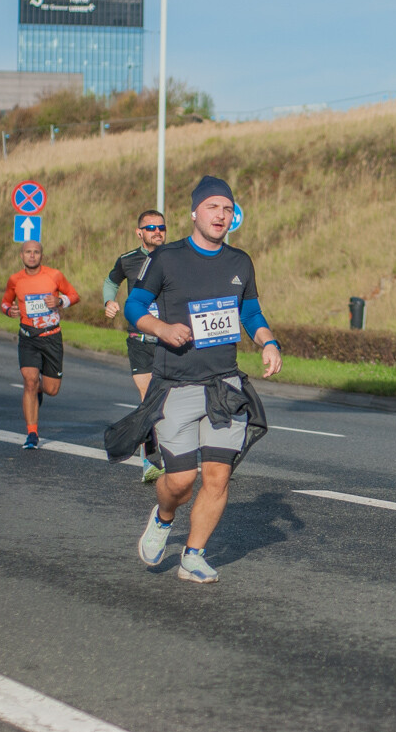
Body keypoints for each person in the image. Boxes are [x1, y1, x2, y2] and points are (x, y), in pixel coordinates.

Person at [117, 176, 281, 584]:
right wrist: (161, 329)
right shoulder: (168, 259)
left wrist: (267, 341)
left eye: (227, 209)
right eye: (212, 208)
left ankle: (193, 555)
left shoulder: (240, 263)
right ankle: (163, 517)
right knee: (179, 481)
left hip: (224, 387)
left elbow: (250, 312)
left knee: (218, 476)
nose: (220, 215)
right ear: (194, 213)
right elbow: (133, 305)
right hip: (176, 385)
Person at [104, 209, 168, 482]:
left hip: (170, 340)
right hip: (140, 340)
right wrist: (109, 301)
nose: (157, 231)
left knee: (176, 400)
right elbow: (111, 281)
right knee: (148, 400)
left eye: (161, 227)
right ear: (139, 232)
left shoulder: (175, 257)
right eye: (150, 227)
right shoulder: (128, 260)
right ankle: (150, 461)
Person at [0, 242, 80, 449]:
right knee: (29, 381)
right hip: (28, 337)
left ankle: (40, 390)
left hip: (52, 337)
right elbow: (5, 303)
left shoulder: (54, 276)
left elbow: (74, 296)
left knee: (52, 389)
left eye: (36, 252)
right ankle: (32, 434)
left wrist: (60, 302)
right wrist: (10, 311)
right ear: (21, 255)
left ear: (42, 255)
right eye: (28, 252)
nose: (32, 256)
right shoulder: (15, 280)